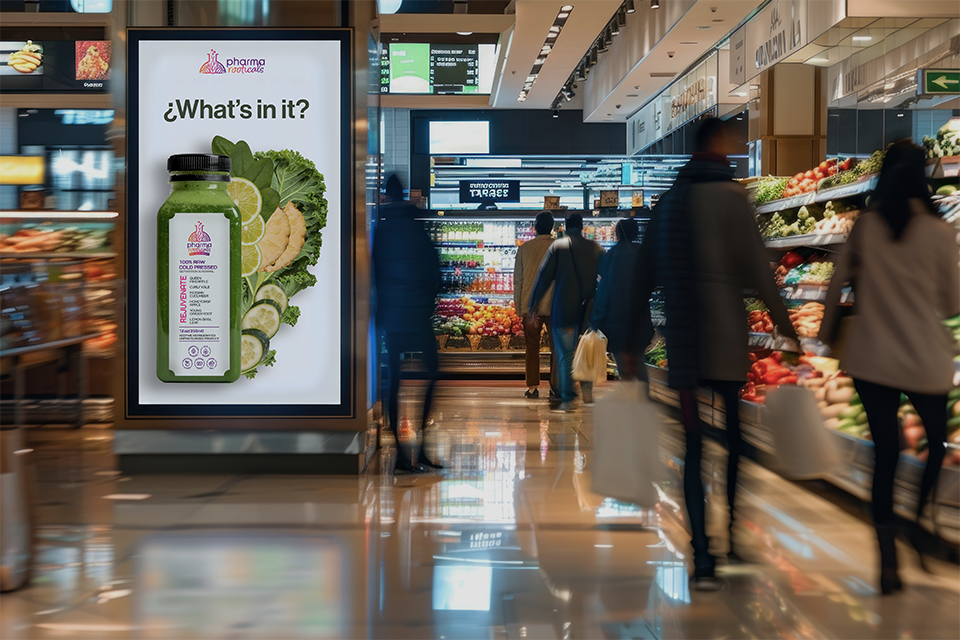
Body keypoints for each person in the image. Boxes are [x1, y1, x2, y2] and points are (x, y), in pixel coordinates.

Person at [632, 117, 799, 590]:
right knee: (733, 442)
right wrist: (785, 327)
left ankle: (702, 557)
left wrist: (630, 339)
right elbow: (760, 271)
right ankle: (729, 536)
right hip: (726, 336)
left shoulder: (669, 204)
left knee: (693, 445)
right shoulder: (733, 199)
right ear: (718, 145)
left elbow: (644, 274)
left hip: (685, 341)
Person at [819, 140, 959, 595]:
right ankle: (918, 526)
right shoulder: (937, 232)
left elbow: (837, 285)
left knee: (884, 456)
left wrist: (826, 334)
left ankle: (887, 561)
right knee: (935, 446)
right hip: (924, 359)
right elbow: (951, 301)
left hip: (872, 357)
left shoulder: (865, 227)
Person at [372, 174, 443, 474]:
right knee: (433, 373)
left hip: (392, 316)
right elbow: (434, 273)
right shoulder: (418, 228)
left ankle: (402, 454)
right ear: (404, 195)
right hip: (418, 315)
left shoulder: (381, 230)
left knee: (396, 382)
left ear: (386, 197)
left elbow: (373, 273)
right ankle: (422, 446)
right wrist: (427, 303)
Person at [530, 213, 605, 412]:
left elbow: (544, 277)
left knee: (566, 356)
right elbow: (607, 277)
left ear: (565, 226)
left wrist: (533, 303)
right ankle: (587, 393)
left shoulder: (558, 246)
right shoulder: (595, 248)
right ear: (582, 227)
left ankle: (567, 396)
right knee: (586, 352)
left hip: (563, 309)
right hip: (588, 312)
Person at [590, 218, 650, 380]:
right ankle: (642, 399)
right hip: (640, 320)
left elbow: (604, 290)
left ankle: (632, 399)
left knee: (625, 368)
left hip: (617, 321)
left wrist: (596, 320)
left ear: (616, 234)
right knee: (639, 361)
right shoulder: (645, 254)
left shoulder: (610, 257)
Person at [514, 211, 559, 399]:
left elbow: (518, 280)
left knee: (532, 347)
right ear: (553, 227)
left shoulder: (524, 248)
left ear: (535, 227)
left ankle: (532, 387)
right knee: (557, 348)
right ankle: (556, 388)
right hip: (555, 305)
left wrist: (519, 307)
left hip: (531, 306)